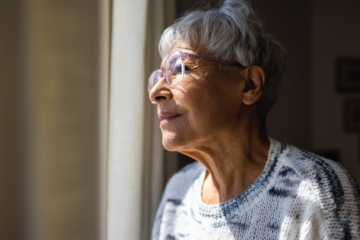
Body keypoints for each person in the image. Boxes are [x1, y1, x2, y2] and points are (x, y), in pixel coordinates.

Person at [148, 0, 360, 239]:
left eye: (180, 69)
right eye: (158, 76)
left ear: (250, 85)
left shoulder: (317, 190)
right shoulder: (178, 191)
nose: (156, 92)